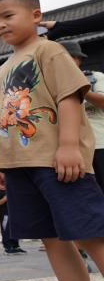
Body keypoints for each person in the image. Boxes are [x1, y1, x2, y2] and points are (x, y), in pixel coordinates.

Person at [0, 0, 104, 281]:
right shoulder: (3, 68)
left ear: (36, 16)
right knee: (51, 238)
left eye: (8, 16)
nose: (0, 25)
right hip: (20, 163)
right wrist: (0, 163)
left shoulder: (50, 51)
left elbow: (70, 99)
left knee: (92, 234)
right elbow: (2, 122)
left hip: (56, 160)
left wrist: (69, 146)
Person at [60, 41, 104, 188]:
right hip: (68, 152)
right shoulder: (51, 84)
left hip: (98, 144)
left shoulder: (95, 77)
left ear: (78, 59)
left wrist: (82, 89)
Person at [0, 174, 24, 254]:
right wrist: (7, 197)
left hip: (13, 212)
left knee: (15, 229)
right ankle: (8, 247)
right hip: (4, 214)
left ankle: (15, 245)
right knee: (6, 230)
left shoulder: (9, 188)